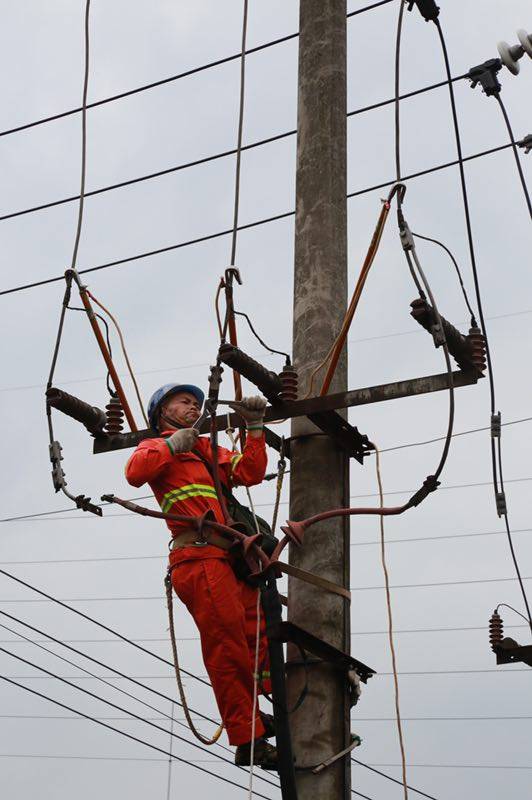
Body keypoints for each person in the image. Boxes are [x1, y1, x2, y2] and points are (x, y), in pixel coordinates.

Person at [125, 382, 277, 767]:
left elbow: (250, 472)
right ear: (162, 412)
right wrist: (172, 444)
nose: (194, 408)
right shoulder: (157, 448)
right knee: (227, 645)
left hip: (230, 559)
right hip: (199, 558)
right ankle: (248, 736)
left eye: (197, 404)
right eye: (184, 402)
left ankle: (269, 709)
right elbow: (134, 472)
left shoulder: (205, 450)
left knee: (257, 634)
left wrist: (254, 427)